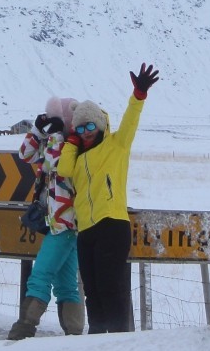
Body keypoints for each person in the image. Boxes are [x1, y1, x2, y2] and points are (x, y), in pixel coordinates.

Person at [57, 63, 160, 334]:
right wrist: (72, 143)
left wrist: (138, 95)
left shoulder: (117, 144)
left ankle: (116, 343)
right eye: (80, 128)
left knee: (110, 288)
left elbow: (130, 120)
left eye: (90, 125)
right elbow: (64, 169)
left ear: (100, 124)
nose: (86, 132)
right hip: (87, 230)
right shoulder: (76, 159)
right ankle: (96, 341)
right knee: (92, 292)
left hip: (112, 225)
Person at [9, 95, 83, 338]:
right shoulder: (54, 140)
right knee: (66, 284)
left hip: (65, 220)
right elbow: (25, 155)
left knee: (41, 274)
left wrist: (56, 136)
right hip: (57, 222)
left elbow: (55, 164)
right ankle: (73, 333)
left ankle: (25, 325)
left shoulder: (73, 144)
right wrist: (37, 131)